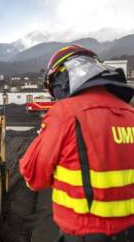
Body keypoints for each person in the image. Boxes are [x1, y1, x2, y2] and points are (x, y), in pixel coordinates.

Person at [19, 44, 134, 242]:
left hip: (85, 233)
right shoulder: (130, 114)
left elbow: (33, 176)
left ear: (62, 78)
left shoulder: (66, 113)